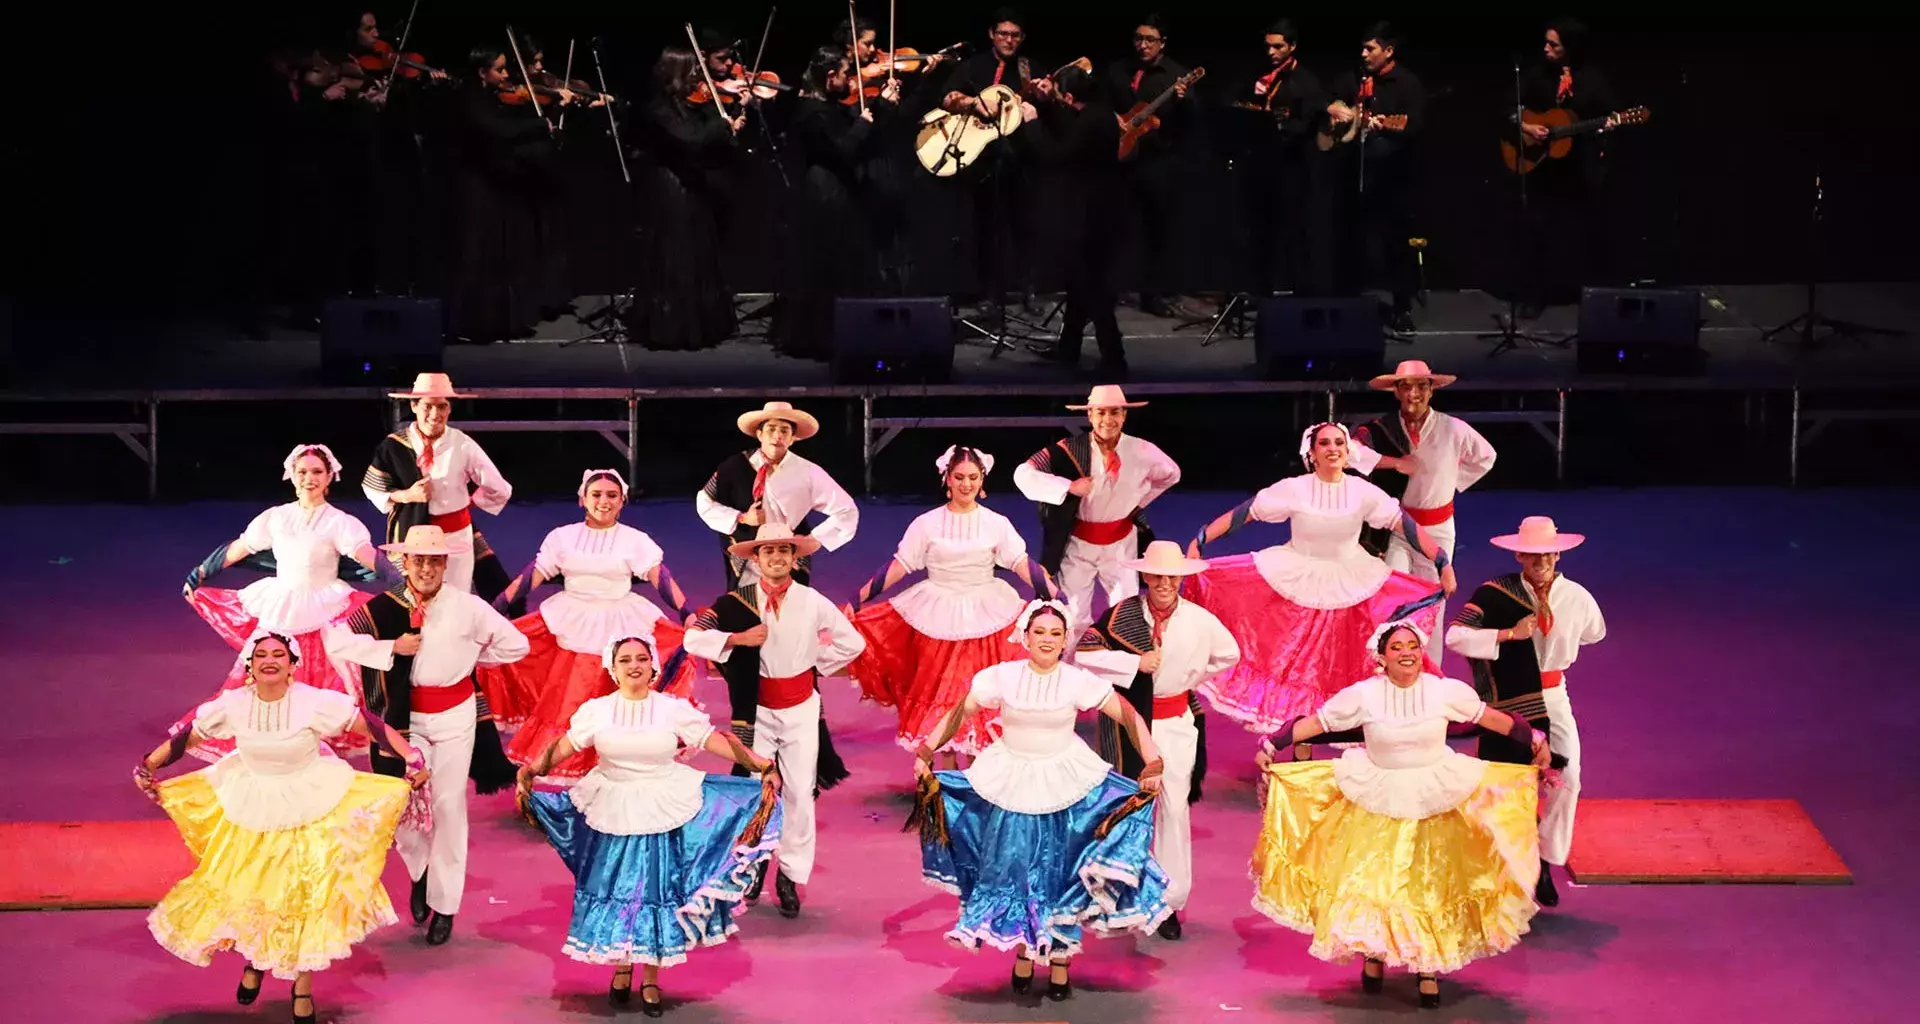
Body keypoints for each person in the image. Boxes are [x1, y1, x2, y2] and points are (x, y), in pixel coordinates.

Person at [1250, 621, 1549, 1008]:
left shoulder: (1443, 692)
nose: (1406, 652)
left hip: (1436, 795)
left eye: (1412, 645)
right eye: (1397, 647)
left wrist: (1536, 741)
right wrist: (1272, 744)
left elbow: (1493, 719)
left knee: (1428, 884)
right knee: (1376, 882)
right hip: (1378, 795)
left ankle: (1427, 966)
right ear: (1382, 656)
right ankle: (1374, 953)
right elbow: (1316, 724)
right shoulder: (1364, 695)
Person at [137, 632, 429, 1024]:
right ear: (250, 666)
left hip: (312, 804)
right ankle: (256, 963)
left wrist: (411, 756)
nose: (269, 660)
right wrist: (149, 765)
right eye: (261, 655)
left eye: (279, 654)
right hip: (252, 805)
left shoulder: (313, 702)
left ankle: (302, 987)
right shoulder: (234, 705)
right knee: (252, 891)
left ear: (293, 664)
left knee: (303, 896)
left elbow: (372, 727)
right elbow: (188, 737)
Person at [908, 600, 1171, 1001]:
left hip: (1067, 780)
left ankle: (1061, 955)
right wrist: (926, 750)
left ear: (1065, 639)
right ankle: (1025, 951)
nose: (1047, 640)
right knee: (1015, 867)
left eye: (1055, 633)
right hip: (1010, 779)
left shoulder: (1076, 680)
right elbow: (960, 713)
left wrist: (1152, 759)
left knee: (1060, 871)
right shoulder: (1002, 677)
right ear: (1025, 637)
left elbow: (1129, 715)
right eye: (1040, 632)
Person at [517, 634, 784, 1016]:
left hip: (662, 805)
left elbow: (713, 740)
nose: (634, 666)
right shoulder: (598, 710)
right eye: (625, 660)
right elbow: (567, 746)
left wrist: (760, 765)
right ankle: (623, 967)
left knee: (655, 892)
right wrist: (534, 768)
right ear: (613, 668)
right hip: (612, 807)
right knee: (616, 891)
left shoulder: (671, 709)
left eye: (641, 658)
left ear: (653, 666)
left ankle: (652, 978)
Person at [325, 525, 530, 945]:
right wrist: (388, 651)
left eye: (433, 561)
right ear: (406, 564)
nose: (425, 569)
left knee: (449, 808)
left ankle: (445, 906)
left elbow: (517, 645)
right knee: (404, 809)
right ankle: (420, 874)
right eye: (417, 560)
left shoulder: (468, 606)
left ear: (444, 565)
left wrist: (473, 656)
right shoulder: (385, 607)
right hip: (403, 722)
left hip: (454, 718)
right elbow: (336, 641)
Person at [1185, 422, 1453, 738]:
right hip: (1297, 573)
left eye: (1339, 442)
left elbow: (1403, 526)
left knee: (1343, 656)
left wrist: (1442, 561)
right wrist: (1199, 541)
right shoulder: (1294, 488)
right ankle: (1294, 735)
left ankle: (1348, 727)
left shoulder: (1362, 491)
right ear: (1312, 453)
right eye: (1324, 444)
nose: (1333, 449)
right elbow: (1245, 514)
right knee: (1289, 655)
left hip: (1351, 578)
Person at [682, 524, 867, 918]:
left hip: (800, 709)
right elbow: (692, 639)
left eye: (784, 551)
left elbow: (853, 642)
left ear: (794, 557)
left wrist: (813, 667)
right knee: (755, 790)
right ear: (755, 558)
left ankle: (790, 874)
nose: (777, 558)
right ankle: (752, 866)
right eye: (769, 552)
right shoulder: (737, 602)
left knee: (800, 792)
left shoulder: (812, 600)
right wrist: (737, 640)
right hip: (757, 713)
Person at [480, 469, 698, 782]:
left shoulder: (634, 540)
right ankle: (564, 773)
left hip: (621, 618)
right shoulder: (562, 537)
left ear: (622, 501)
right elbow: (532, 576)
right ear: (583, 499)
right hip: (570, 618)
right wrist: (495, 608)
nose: (604, 501)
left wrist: (686, 612)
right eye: (596, 495)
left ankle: (615, 766)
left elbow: (659, 577)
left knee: (614, 688)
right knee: (565, 693)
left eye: (612, 496)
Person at [1073, 540, 1240, 940]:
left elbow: (1228, 655)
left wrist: (1187, 682)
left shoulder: (1200, 621)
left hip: (1177, 724)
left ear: (1181, 579)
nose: (1165, 583)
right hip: (1130, 727)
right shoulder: (1122, 616)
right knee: (1127, 807)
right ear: (1145, 577)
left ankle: (1168, 901)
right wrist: (1134, 663)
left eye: (1172, 576)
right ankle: (1120, 893)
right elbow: (1085, 653)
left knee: (1173, 810)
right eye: (1157, 575)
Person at [844, 446, 1052, 761]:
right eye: (959, 477)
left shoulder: (996, 523)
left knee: (980, 697)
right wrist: (857, 597)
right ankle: (944, 784)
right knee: (945, 697)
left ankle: (978, 781)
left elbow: (1021, 562)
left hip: (987, 613)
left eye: (972, 477)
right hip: (938, 614)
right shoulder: (927, 523)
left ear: (982, 479)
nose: (966, 484)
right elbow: (900, 564)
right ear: (947, 479)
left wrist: (1054, 595)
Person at [178, 444, 380, 760]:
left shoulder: (340, 522)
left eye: (316, 472)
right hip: (281, 603)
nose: (309, 478)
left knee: (324, 674)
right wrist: (204, 570)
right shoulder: (276, 517)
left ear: (329, 478)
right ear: (292, 476)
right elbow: (242, 547)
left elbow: (363, 554)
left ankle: (314, 738)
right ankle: (265, 733)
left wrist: (394, 574)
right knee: (264, 667)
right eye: (303, 472)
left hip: (324, 604)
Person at [1446, 516, 1607, 907]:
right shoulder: (1495, 594)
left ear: (1558, 553)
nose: (1542, 560)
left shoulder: (1578, 597)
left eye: (1548, 553)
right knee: (1506, 781)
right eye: (1532, 554)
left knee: (1567, 778)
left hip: (1553, 695)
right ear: (1519, 555)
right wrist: (1508, 636)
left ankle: (1547, 860)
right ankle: (1502, 864)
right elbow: (1456, 636)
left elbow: (1593, 633)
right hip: (1509, 702)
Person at [1012, 385, 1181, 634]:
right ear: (1090, 416)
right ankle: (1072, 670)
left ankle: (1124, 668)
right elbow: (1023, 474)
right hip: (1078, 546)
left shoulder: (1143, 451)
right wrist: (1069, 486)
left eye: (1114, 412)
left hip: (1122, 545)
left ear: (1124, 415)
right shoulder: (1069, 450)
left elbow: (1171, 475)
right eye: (1100, 412)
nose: (1108, 420)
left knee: (1125, 613)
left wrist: (1137, 501)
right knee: (1074, 615)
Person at [770, 45, 899, 360]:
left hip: (835, 189)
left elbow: (858, 136)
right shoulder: (811, 112)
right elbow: (842, 152)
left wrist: (880, 108)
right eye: (845, 74)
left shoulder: (828, 107)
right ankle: (822, 337)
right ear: (830, 77)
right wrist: (868, 121)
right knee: (829, 264)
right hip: (825, 191)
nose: (850, 81)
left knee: (843, 264)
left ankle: (843, 333)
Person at [1349, 360, 1497, 626]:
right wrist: (1393, 462)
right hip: (1396, 528)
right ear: (1395, 391)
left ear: (1431, 390)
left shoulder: (1454, 428)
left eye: (1420, 386)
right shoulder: (1382, 428)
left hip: (1438, 528)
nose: (1413, 393)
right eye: (1405, 387)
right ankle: (1391, 662)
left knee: (1432, 603)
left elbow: (1486, 456)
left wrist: (1451, 480)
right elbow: (1351, 453)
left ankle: (1431, 667)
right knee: (1393, 597)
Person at [626, 46, 744, 351]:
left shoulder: (693, 104)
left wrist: (729, 123)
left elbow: (709, 143)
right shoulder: (659, 108)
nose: (699, 77)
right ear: (676, 74)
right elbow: (691, 141)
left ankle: (701, 325)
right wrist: (720, 124)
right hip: (671, 188)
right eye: (693, 71)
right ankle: (673, 328)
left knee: (698, 253)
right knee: (676, 255)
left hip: (693, 185)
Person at [361, 373, 514, 598]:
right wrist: (408, 496)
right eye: (428, 407)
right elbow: (373, 488)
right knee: (414, 600)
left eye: (442, 407)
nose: (435, 414)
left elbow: (499, 488)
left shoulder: (462, 444)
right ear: (413, 406)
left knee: (454, 598)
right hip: (413, 537)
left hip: (454, 537)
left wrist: (470, 503)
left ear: (449, 409)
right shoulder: (393, 446)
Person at [445, 46, 557, 343]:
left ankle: (496, 321)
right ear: (482, 73)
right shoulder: (469, 98)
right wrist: (537, 124)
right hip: (474, 184)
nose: (507, 75)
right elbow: (495, 130)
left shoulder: (488, 97)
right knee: (475, 253)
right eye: (500, 69)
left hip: (493, 182)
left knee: (497, 254)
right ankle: (466, 324)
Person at [1516, 18, 1622, 318]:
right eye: (1546, 42)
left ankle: (1591, 297)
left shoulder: (1592, 78)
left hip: (1580, 164)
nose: (1546, 49)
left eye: (1554, 44)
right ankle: (1534, 296)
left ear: (1570, 48)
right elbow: (1511, 109)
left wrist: (1609, 125)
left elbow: (1608, 113)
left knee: (1586, 229)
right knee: (1537, 229)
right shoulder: (1535, 75)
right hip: (1543, 165)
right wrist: (1528, 126)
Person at [1025, 64, 1127, 373]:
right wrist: (1044, 105)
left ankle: (1114, 358)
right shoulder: (1098, 113)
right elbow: (1068, 127)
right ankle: (1069, 350)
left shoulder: (1092, 122)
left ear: (1069, 96)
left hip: (1092, 216)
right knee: (1079, 286)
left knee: (1093, 288)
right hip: (1099, 210)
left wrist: (1031, 124)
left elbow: (1054, 157)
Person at [1325, 22, 1425, 334]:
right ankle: (1347, 303)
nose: (1364, 54)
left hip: (1392, 177)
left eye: (1371, 49)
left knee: (1395, 243)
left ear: (1389, 51)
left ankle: (1401, 307)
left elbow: (1416, 124)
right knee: (1349, 239)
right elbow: (1326, 102)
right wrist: (1336, 111)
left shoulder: (1406, 83)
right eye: (1363, 48)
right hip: (1352, 171)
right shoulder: (1353, 78)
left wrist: (1389, 128)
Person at [938, 7, 1039, 315]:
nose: (1009, 40)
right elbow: (946, 97)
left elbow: (1040, 105)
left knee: (1022, 224)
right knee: (985, 226)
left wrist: (1042, 98)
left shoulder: (1026, 68)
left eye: (1015, 35)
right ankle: (987, 292)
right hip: (979, 157)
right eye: (1003, 34)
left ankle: (1026, 291)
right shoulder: (973, 65)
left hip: (1017, 155)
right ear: (992, 35)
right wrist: (972, 103)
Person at [696, 401, 860, 589]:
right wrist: (741, 518)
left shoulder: (808, 472)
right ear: (759, 434)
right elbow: (704, 501)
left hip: (789, 556)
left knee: (790, 609)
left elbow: (847, 510)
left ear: (793, 438)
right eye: (771, 429)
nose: (777, 436)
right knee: (746, 610)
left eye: (785, 430)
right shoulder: (734, 467)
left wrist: (813, 540)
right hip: (749, 556)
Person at [1110, 14, 1195, 319]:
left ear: (1163, 43)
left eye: (1150, 40)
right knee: (1117, 225)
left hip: (1158, 162)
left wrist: (1184, 102)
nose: (1143, 45)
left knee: (1156, 229)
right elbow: (1104, 104)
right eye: (1139, 38)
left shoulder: (1177, 76)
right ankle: (1113, 286)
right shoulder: (1119, 69)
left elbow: (1191, 124)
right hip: (1121, 158)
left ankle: (1153, 294)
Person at [1236, 19, 1325, 296]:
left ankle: (1302, 294)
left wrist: (1272, 126)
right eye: (1268, 46)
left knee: (1293, 232)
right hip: (1261, 165)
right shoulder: (1260, 74)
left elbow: (1305, 126)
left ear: (1292, 47)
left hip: (1291, 167)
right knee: (1260, 231)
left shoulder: (1305, 81)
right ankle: (1261, 292)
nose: (1271, 52)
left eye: (1278, 47)